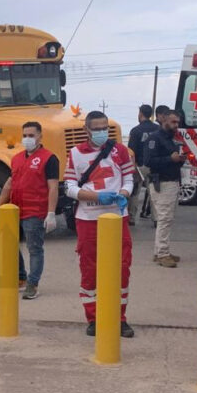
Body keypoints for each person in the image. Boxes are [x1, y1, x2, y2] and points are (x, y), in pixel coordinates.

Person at [64, 111, 136, 338]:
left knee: (122, 268)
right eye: (96, 128)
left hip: (117, 219)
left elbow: (129, 179)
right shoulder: (76, 153)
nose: (101, 132)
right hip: (88, 220)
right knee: (89, 269)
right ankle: (94, 318)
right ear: (87, 130)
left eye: (104, 127)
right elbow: (69, 187)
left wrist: (124, 193)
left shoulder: (120, 151)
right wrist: (95, 197)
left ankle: (119, 318)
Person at [0, 121, 59, 300]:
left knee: (34, 248)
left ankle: (33, 284)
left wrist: (51, 213)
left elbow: (53, 187)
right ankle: (20, 278)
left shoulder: (49, 158)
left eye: (31, 135)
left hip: (35, 211)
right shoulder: (17, 158)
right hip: (15, 209)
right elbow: (9, 183)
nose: (27, 139)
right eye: (25, 135)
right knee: (11, 246)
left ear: (40, 136)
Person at [145, 109, 184, 267]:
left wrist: (180, 159)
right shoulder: (155, 138)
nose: (176, 125)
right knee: (165, 219)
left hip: (172, 181)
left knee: (166, 218)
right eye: (173, 122)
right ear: (164, 121)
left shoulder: (172, 139)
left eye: (178, 123)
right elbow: (149, 161)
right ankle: (162, 253)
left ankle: (159, 251)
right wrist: (170, 158)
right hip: (162, 182)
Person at [127, 104, 159, 222]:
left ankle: (131, 218)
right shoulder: (158, 129)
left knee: (135, 192)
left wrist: (132, 166)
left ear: (140, 114)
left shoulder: (135, 131)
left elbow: (131, 151)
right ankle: (156, 218)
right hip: (155, 166)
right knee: (154, 193)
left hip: (139, 165)